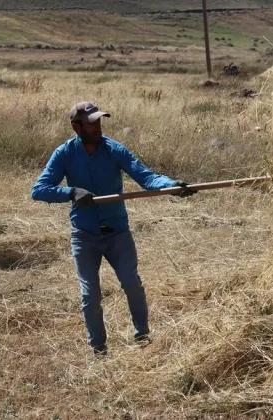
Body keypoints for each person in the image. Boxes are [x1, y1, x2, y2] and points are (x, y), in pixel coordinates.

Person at [31, 101, 195, 356]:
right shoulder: (64, 153)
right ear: (77, 127)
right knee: (90, 294)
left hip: (117, 231)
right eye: (91, 122)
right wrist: (71, 192)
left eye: (99, 121)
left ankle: (143, 336)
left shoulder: (114, 149)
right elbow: (39, 190)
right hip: (84, 234)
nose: (97, 126)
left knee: (131, 283)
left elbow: (146, 176)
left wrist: (172, 185)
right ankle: (98, 349)